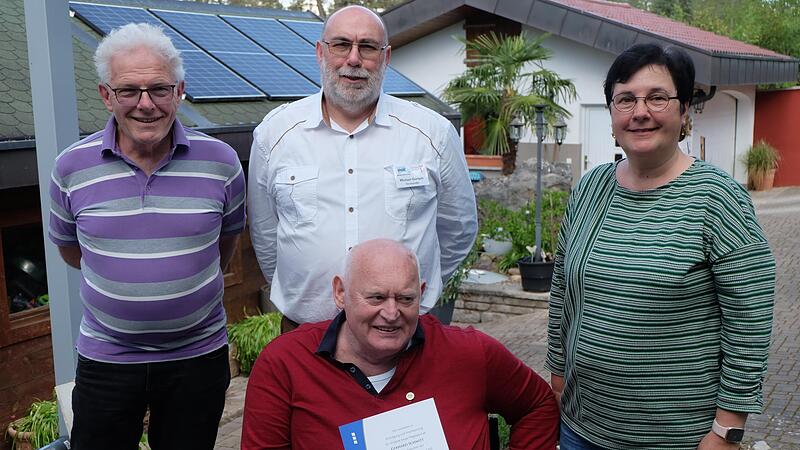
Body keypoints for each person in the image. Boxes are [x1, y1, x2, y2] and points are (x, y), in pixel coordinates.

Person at [546, 43, 775, 450]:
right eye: (626, 99)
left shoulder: (716, 198)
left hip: (679, 438)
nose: (640, 112)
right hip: (581, 427)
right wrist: (558, 370)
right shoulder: (589, 188)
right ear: (612, 115)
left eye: (657, 98)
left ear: (684, 111)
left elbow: (749, 322)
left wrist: (727, 429)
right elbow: (563, 287)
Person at [48, 23, 245, 450]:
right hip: (107, 358)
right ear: (106, 95)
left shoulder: (222, 162)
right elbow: (71, 250)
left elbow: (223, 246)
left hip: (198, 355)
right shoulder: (70, 168)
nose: (145, 104)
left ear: (179, 92)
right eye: (129, 91)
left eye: (159, 89)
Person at [247, 5, 477, 330]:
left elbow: (458, 228)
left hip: (401, 331)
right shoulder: (275, 134)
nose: (353, 59)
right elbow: (266, 233)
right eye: (341, 45)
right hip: (305, 334)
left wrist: (412, 292)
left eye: (367, 47)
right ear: (320, 52)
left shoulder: (432, 133)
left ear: (386, 57)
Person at [241, 239, 559, 449]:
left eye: (406, 298)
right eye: (376, 297)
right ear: (340, 293)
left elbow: (538, 406)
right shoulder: (286, 363)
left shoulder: (468, 354)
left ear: (421, 293)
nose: (392, 313)